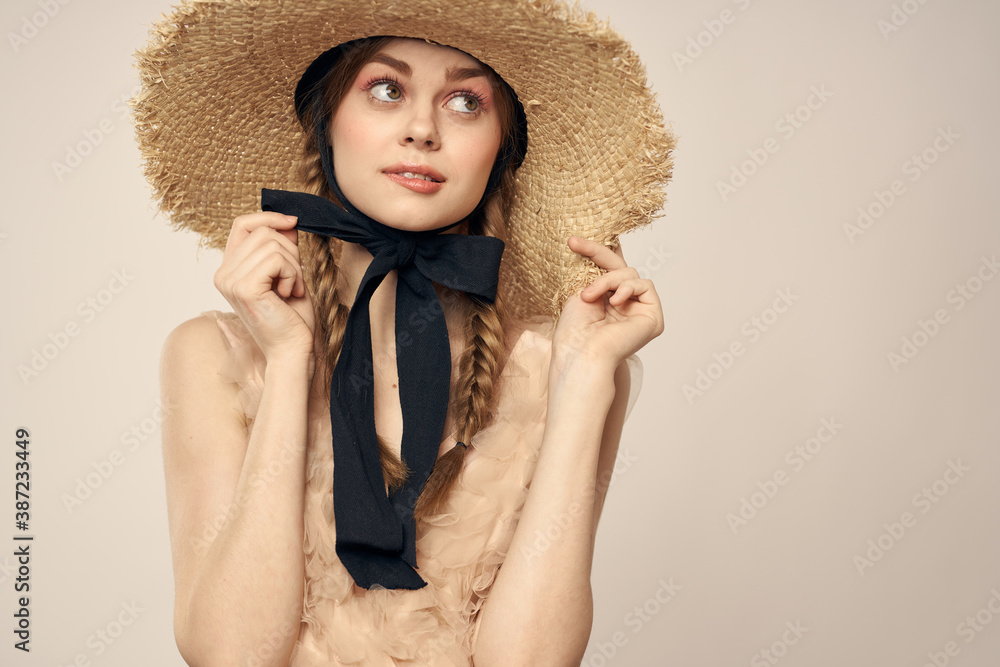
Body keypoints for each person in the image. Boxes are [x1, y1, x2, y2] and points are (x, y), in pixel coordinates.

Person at [134, 0, 676, 664]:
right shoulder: (214, 355)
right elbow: (232, 654)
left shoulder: (556, 363)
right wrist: (287, 358)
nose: (422, 128)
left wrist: (588, 377)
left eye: (465, 102)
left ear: (502, 148)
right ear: (325, 123)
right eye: (385, 89)